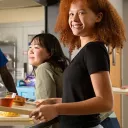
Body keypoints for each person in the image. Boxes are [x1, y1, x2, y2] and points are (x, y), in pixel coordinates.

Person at [29, 0, 126, 128]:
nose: (74, 19)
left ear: (98, 17)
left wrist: (57, 109)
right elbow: (82, 98)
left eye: (81, 13)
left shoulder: (94, 49)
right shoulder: (86, 51)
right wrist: (54, 101)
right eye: (71, 14)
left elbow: (105, 102)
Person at [28, 33, 69, 128]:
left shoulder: (44, 68)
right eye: (30, 47)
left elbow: (45, 109)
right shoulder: (58, 67)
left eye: (36, 47)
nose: (30, 51)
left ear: (49, 53)